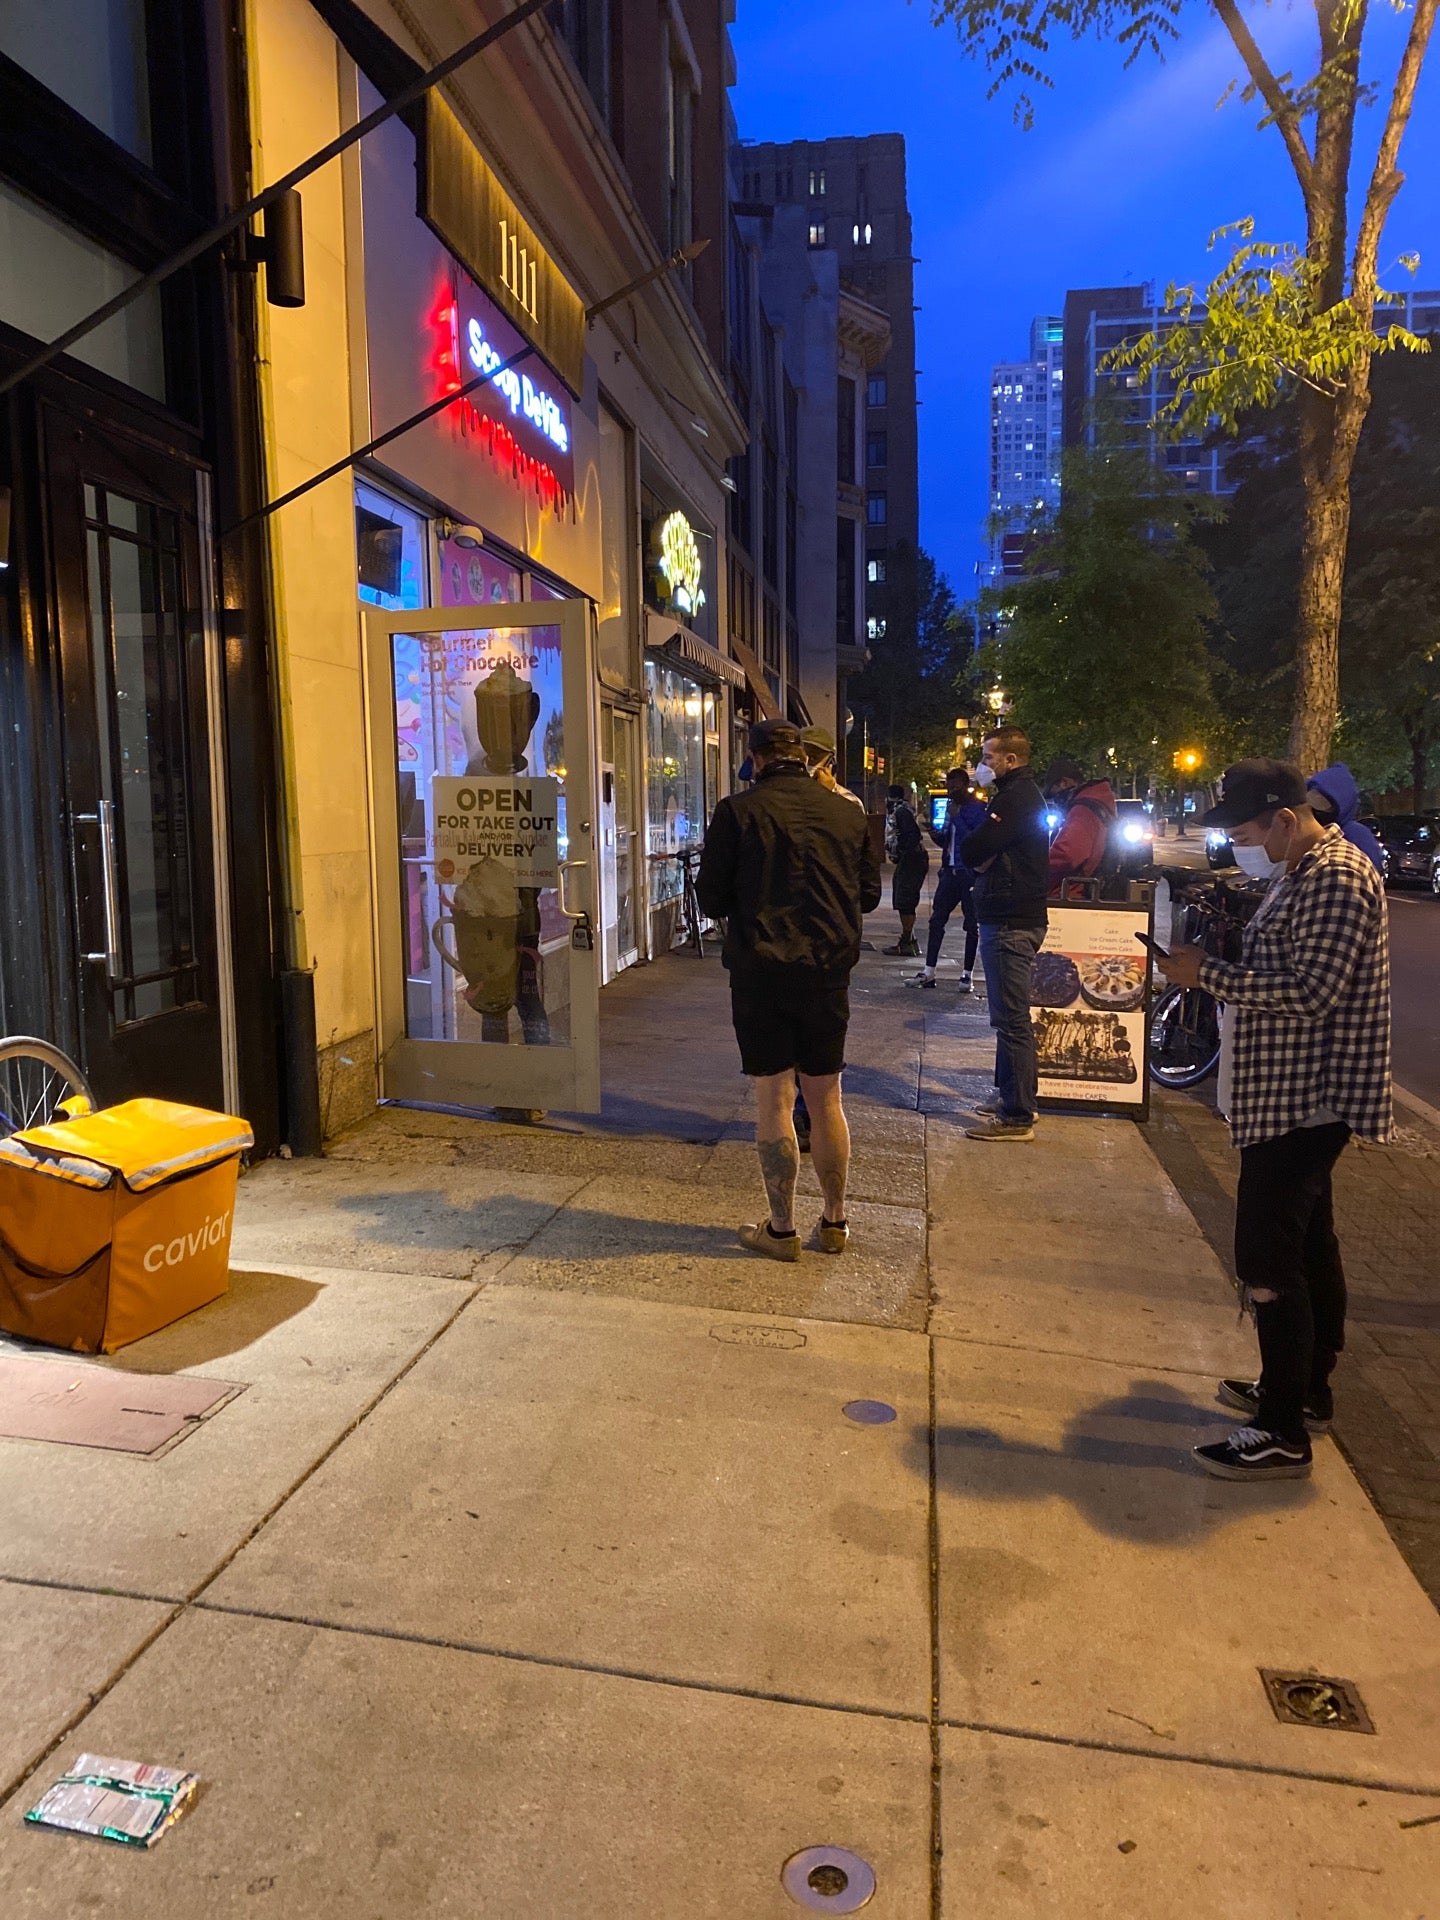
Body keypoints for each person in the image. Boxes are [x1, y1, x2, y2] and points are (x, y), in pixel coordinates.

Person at [1155, 759, 1391, 1481]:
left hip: (1306, 1099)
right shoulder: (1303, 868)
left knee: (1267, 1259)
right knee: (1308, 1245)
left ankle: (1282, 1427)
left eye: (1250, 832)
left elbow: (1314, 991)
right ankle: (1303, 1388)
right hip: (1287, 1093)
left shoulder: (1338, 875)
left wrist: (1208, 976)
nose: (1245, 846)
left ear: (1285, 819)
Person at [697, 719, 882, 1261]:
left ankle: (781, 1229)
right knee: (827, 1097)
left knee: (774, 1097)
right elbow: (868, 896)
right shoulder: (848, 813)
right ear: (803, 757)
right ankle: (834, 1222)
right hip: (827, 972)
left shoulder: (737, 811)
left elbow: (709, 900)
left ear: (755, 758)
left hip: (760, 972)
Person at [958, 725, 1049, 1142]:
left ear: (1010, 760)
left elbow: (973, 849)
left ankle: (1017, 1115)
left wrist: (982, 853)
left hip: (1011, 919)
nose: (982, 765)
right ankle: (1011, 1096)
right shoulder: (1016, 797)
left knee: (1011, 1020)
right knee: (1007, 1018)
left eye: (989, 757)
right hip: (1009, 915)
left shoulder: (1015, 799)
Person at [907, 767, 986, 992]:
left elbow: (973, 840)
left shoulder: (975, 810)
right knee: (936, 921)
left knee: (972, 925)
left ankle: (966, 976)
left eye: (954, 787)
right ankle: (929, 971)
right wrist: (936, 835)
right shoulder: (954, 809)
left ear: (965, 785)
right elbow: (951, 843)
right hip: (950, 873)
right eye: (948, 787)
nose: (950, 791)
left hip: (968, 873)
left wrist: (957, 818)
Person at [1042, 755, 1118, 896]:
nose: (1056, 800)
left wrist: (1036, 865)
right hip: (1081, 890)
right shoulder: (1096, 803)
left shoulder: (1083, 810)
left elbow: (1068, 854)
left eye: (1054, 793)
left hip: (1072, 893)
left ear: (1064, 783)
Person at [1305, 763, 1384, 873]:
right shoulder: (1302, 829)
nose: (1316, 806)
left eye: (1325, 802)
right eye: (1312, 798)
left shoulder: (1356, 836)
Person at [883, 784, 928, 957]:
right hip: (911, 860)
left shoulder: (900, 812)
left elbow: (913, 835)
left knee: (905, 899)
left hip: (911, 860)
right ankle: (908, 938)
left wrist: (903, 852)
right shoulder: (903, 809)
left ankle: (907, 941)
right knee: (903, 898)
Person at [802, 727, 867, 810]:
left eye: (813, 757)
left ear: (830, 762)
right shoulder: (785, 794)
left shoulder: (850, 802)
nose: (806, 763)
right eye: (801, 758)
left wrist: (826, 795)